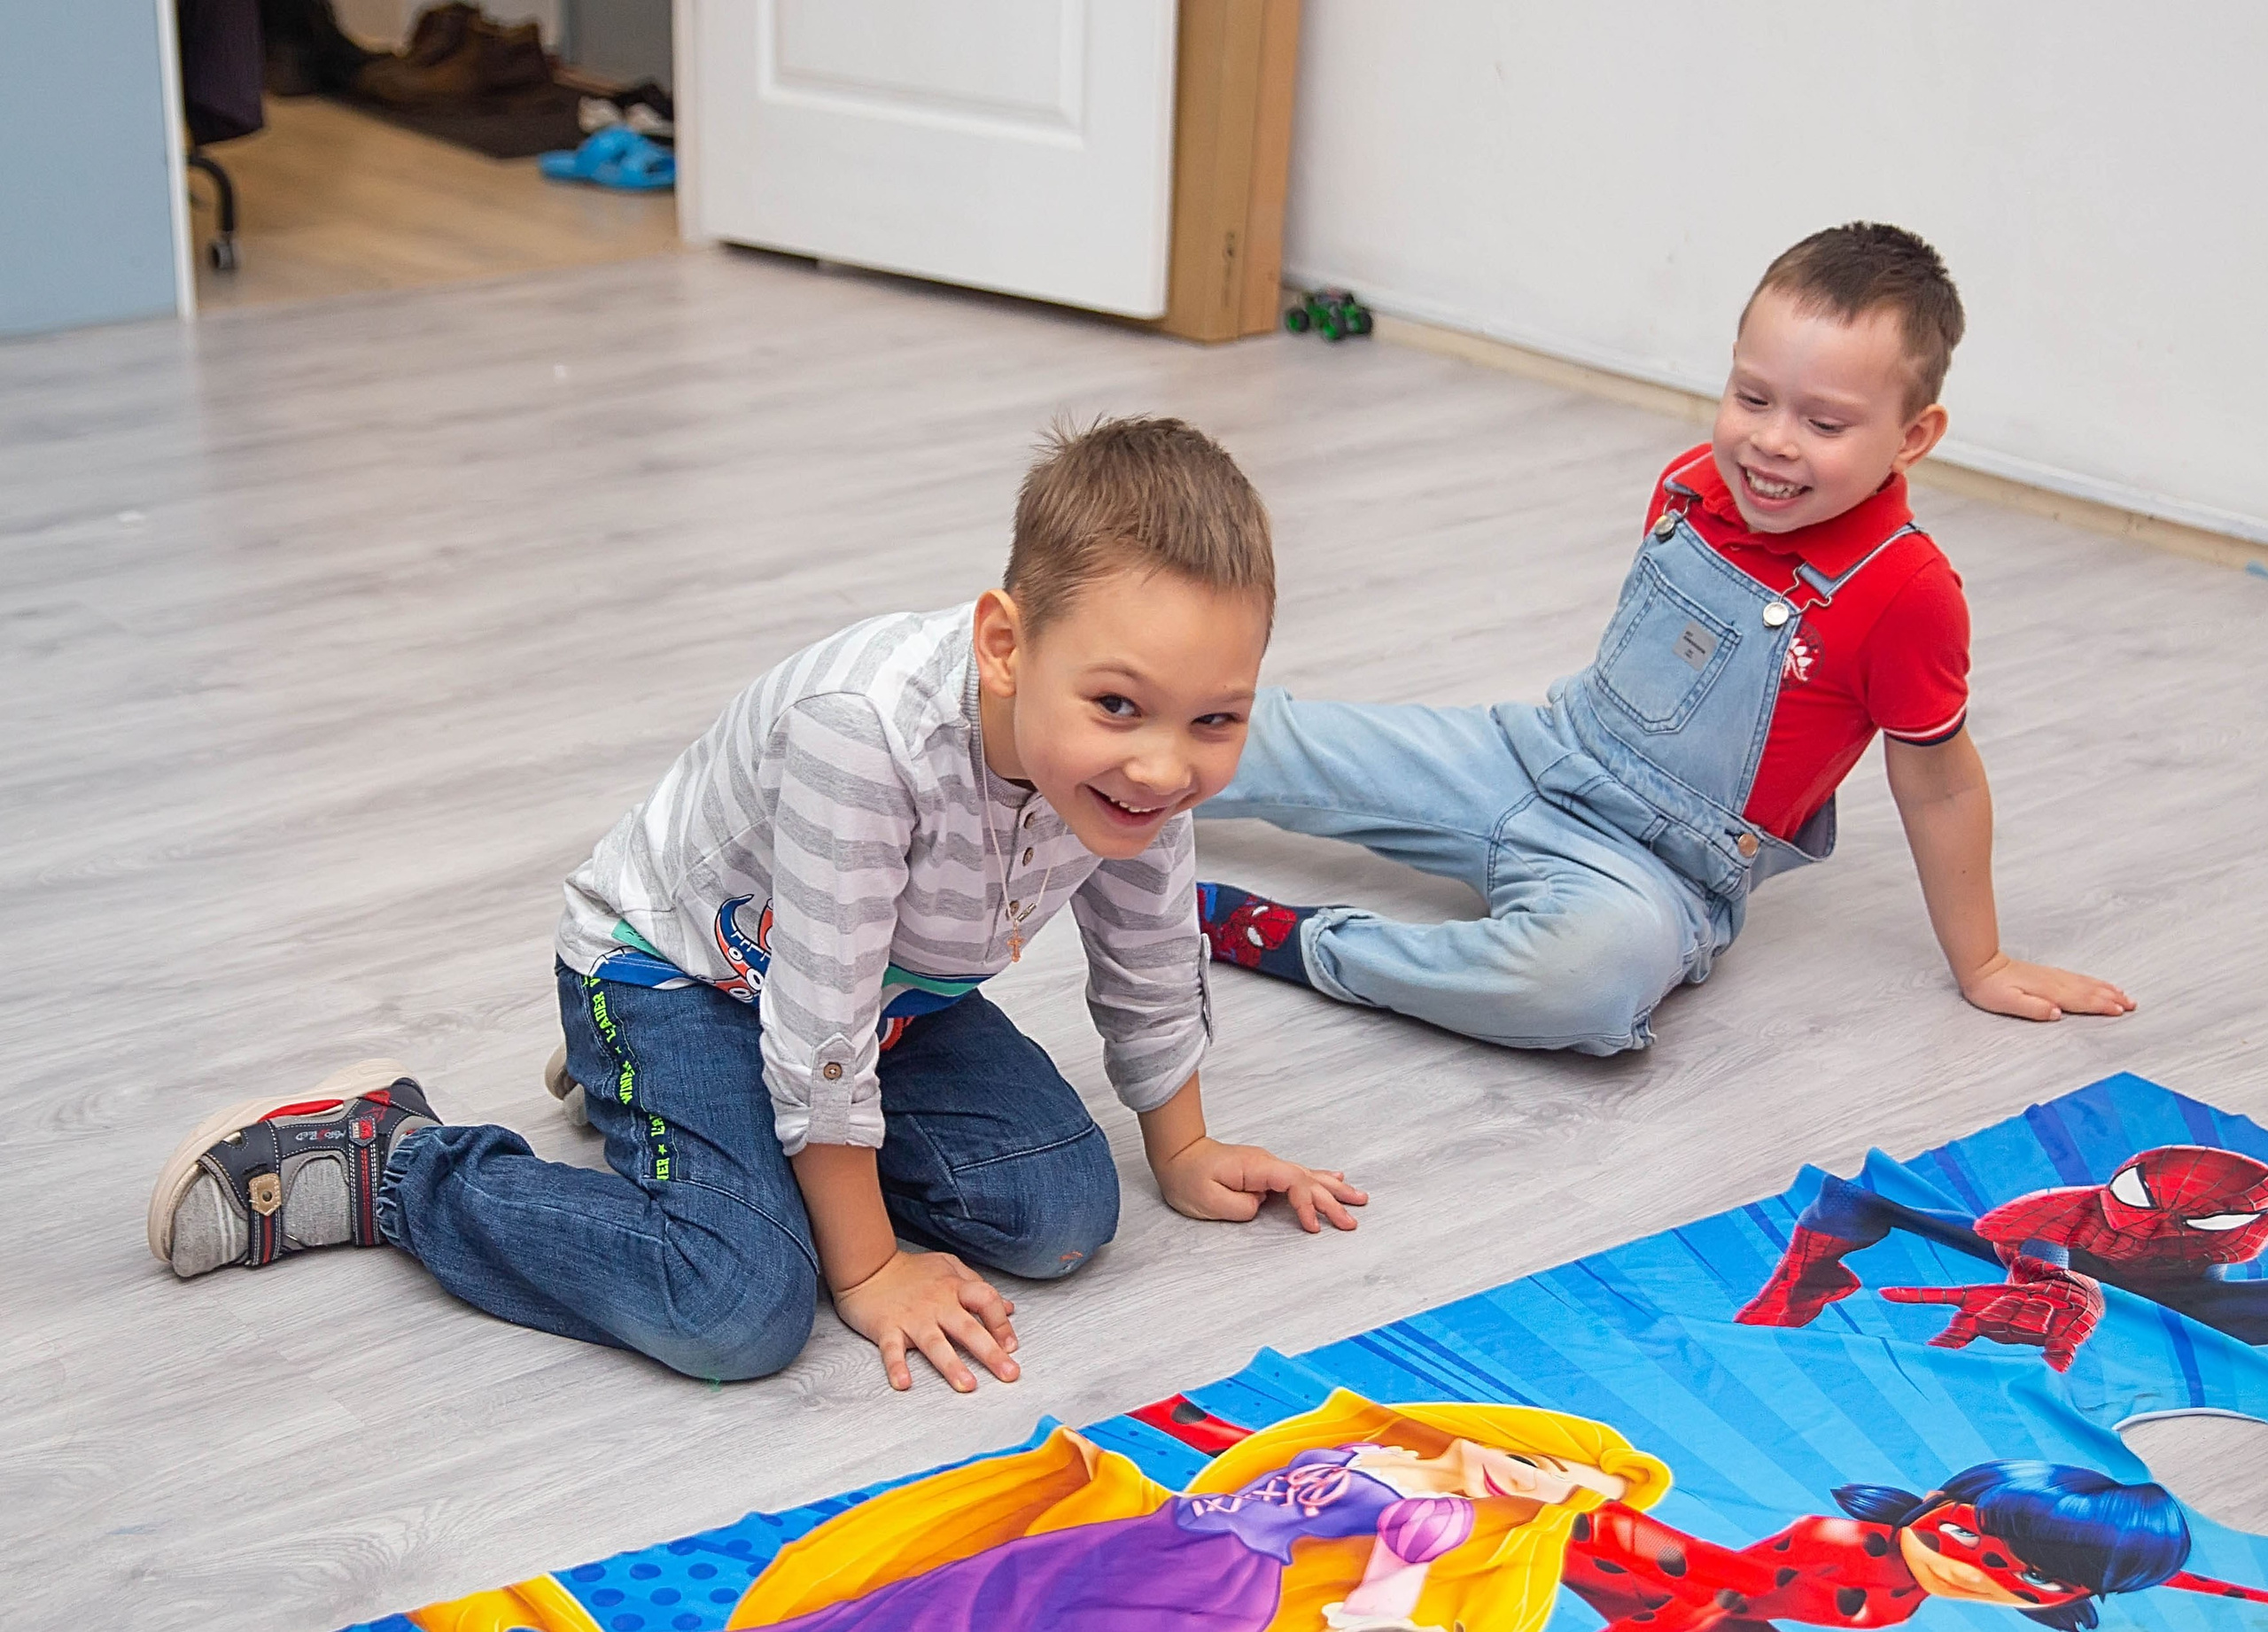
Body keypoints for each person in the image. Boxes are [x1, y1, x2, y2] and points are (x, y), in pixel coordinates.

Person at [146, 416, 1365, 1389]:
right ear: (1005, 644)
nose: (1163, 764)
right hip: (677, 972)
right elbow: (819, 1024)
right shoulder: (865, 736)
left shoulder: (1146, 772)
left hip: (882, 999)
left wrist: (1183, 1146)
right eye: (1118, 707)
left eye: (1216, 719)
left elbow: (1148, 949)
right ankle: (397, 1163)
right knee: (736, 1306)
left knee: (1060, 1216)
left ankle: (683, 1120)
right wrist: (870, 1270)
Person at [1197, 222, 2135, 1053]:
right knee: (1278, 737)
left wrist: (1982, 961)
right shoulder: (1691, 485)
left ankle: (1291, 940)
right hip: (1534, 755)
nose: (1772, 442)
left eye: (1823, 422)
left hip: (1657, 872)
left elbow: (1940, 784)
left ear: (1913, 435)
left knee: (1586, 983)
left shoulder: (1906, 592)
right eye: (1752, 397)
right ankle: (1107, 752)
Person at [724, 1389, 1672, 1632]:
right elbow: (1246, 1475)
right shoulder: (1375, 1448)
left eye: (1564, 1495)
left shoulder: (1441, 1522)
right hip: (1157, 1536)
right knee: (976, 1596)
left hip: (1217, 1583)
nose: (1537, 1490)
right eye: (1541, 1466)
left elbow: (1375, 1611)